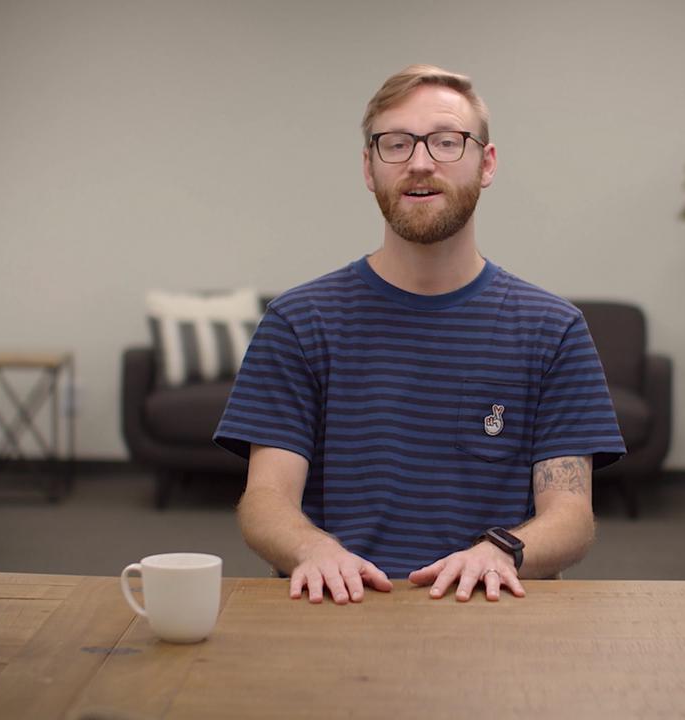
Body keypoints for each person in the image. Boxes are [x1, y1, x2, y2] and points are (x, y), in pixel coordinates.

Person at [214, 64, 624, 605]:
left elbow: (571, 516)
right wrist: (312, 549)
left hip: (491, 610)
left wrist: (501, 551)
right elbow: (265, 499)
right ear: (369, 167)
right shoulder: (299, 321)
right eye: (396, 144)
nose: (421, 162)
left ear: (486, 163)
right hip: (338, 606)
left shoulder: (553, 329)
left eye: (447, 142)